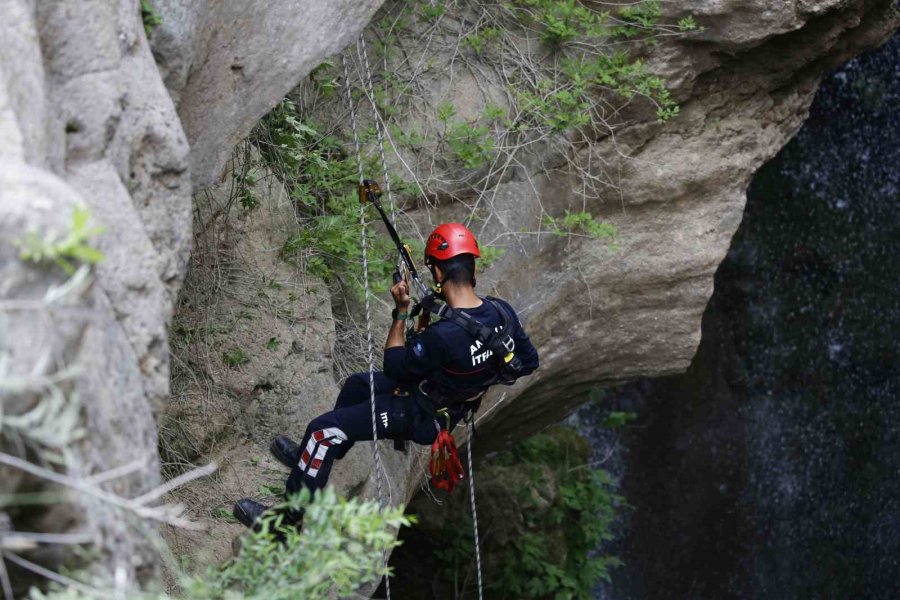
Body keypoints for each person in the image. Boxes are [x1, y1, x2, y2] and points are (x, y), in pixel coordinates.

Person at [233, 222, 539, 529]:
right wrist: (476, 378)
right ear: (472, 268)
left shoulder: (444, 335)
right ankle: (313, 462)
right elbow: (528, 362)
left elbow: (394, 364)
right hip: (444, 404)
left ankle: (286, 524)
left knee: (320, 431)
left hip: (419, 415)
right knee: (357, 385)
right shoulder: (502, 313)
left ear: (437, 274)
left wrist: (401, 312)